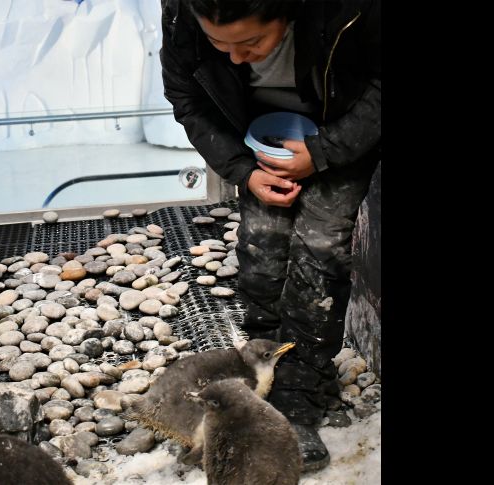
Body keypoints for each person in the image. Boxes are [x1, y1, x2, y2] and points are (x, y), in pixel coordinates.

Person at [160, 0, 380, 471]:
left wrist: (323, 151)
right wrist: (242, 170)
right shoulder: (183, 11)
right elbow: (186, 95)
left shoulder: (352, 8)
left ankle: (299, 397)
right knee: (261, 254)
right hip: (258, 141)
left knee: (320, 252)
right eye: (221, 45)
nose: (237, 57)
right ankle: (263, 370)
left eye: (252, 43)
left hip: (341, 130)